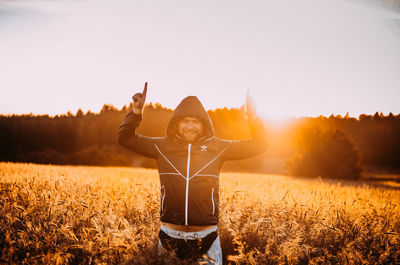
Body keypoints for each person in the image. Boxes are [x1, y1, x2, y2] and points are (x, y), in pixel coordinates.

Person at [117, 82, 267, 264]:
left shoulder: (217, 147)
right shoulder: (162, 146)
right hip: (168, 239)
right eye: (185, 121)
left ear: (203, 125)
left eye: (195, 121)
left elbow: (259, 144)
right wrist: (136, 111)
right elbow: (125, 138)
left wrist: (252, 115)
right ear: (176, 123)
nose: (190, 126)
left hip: (207, 239)